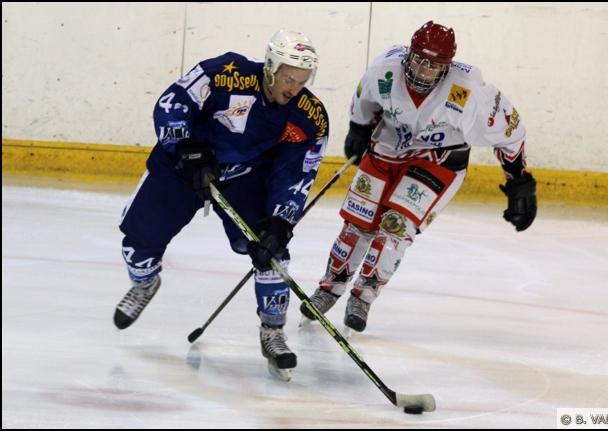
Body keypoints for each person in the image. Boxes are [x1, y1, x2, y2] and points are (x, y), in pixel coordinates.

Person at [114, 29, 329, 380]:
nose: (294, 89)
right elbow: (172, 102)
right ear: (271, 68)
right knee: (139, 241)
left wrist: (281, 220)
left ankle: (273, 330)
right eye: (289, 79)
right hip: (185, 166)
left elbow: (296, 172)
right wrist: (184, 148)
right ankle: (144, 282)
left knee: (270, 249)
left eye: (302, 82)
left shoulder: (308, 116)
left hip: (245, 176)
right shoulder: (226, 73)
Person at [300, 20, 536, 332]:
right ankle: (330, 287)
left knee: (395, 227)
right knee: (357, 225)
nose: (423, 71)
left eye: (433, 66)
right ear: (409, 54)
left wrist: (519, 183)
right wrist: (358, 127)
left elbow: (511, 131)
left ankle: (364, 295)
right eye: (419, 61)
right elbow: (363, 98)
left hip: (438, 161)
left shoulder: (469, 91)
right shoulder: (385, 69)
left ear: (446, 67)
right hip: (385, 149)